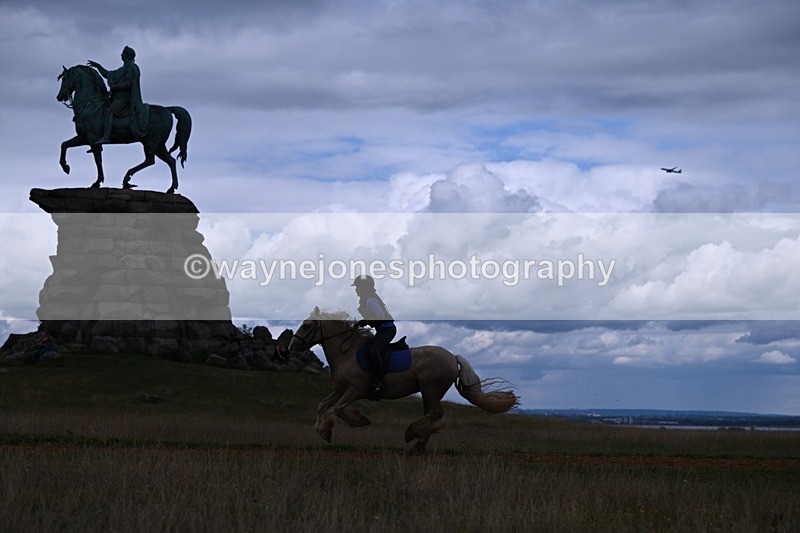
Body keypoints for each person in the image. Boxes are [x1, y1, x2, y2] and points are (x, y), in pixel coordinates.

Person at [88, 45, 149, 143]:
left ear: (127, 55)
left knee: (109, 111)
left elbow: (129, 83)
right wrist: (98, 66)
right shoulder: (123, 69)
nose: (121, 55)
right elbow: (108, 74)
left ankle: (106, 137)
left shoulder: (132, 68)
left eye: (123, 53)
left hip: (126, 99)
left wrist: (115, 87)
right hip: (118, 98)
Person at [352, 275, 396, 395]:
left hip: (387, 329)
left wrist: (365, 321)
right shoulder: (366, 299)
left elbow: (380, 316)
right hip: (382, 330)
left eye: (358, 287)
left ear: (365, 287)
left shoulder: (370, 300)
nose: (356, 289)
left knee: (373, 351)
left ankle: (381, 381)